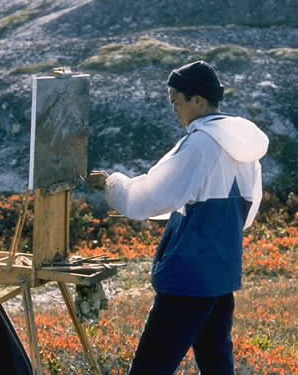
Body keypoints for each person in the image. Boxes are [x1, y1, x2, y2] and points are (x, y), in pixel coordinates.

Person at [87, 60, 269, 374]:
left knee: (151, 366)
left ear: (197, 100)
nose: (174, 110)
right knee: (216, 362)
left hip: (189, 277)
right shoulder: (244, 150)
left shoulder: (200, 143)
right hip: (221, 273)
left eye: (176, 101)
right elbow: (248, 214)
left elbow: (149, 197)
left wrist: (111, 184)